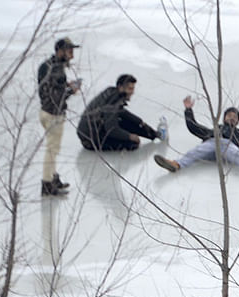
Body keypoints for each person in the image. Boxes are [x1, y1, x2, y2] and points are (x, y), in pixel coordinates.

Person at [153, 96, 239, 178]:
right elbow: (193, 127)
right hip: (211, 147)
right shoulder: (214, 131)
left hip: (228, 152)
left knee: (236, 153)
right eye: (229, 115)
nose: (232, 117)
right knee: (197, 151)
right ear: (224, 118)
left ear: (238, 121)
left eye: (235, 116)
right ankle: (175, 164)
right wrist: (188, 110)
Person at [37, 37, 81, 196]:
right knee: (52, 150)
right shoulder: (56, 70)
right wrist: (71, 91)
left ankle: (53, 178)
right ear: (59, 51)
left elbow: (50, 89)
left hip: (45, 112)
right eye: (69, 51)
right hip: (53, 115)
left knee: (52, 149)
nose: (72, 55)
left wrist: (65, 86)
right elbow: (55, 97)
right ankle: (47, 184)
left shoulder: (49, 66)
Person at [77, 74, 160, 151]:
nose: (132, 92)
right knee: (133, 144)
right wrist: (130, 136)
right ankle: (153, 135)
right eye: (129, 89)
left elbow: (122, 113)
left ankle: (153, 134)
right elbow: (111, 129)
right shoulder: (112, 104)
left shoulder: (111, 93)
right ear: (120, 87)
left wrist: (140, 122)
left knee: (127, 122)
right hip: (90, 140)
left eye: (133, 88)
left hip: (92, 132)